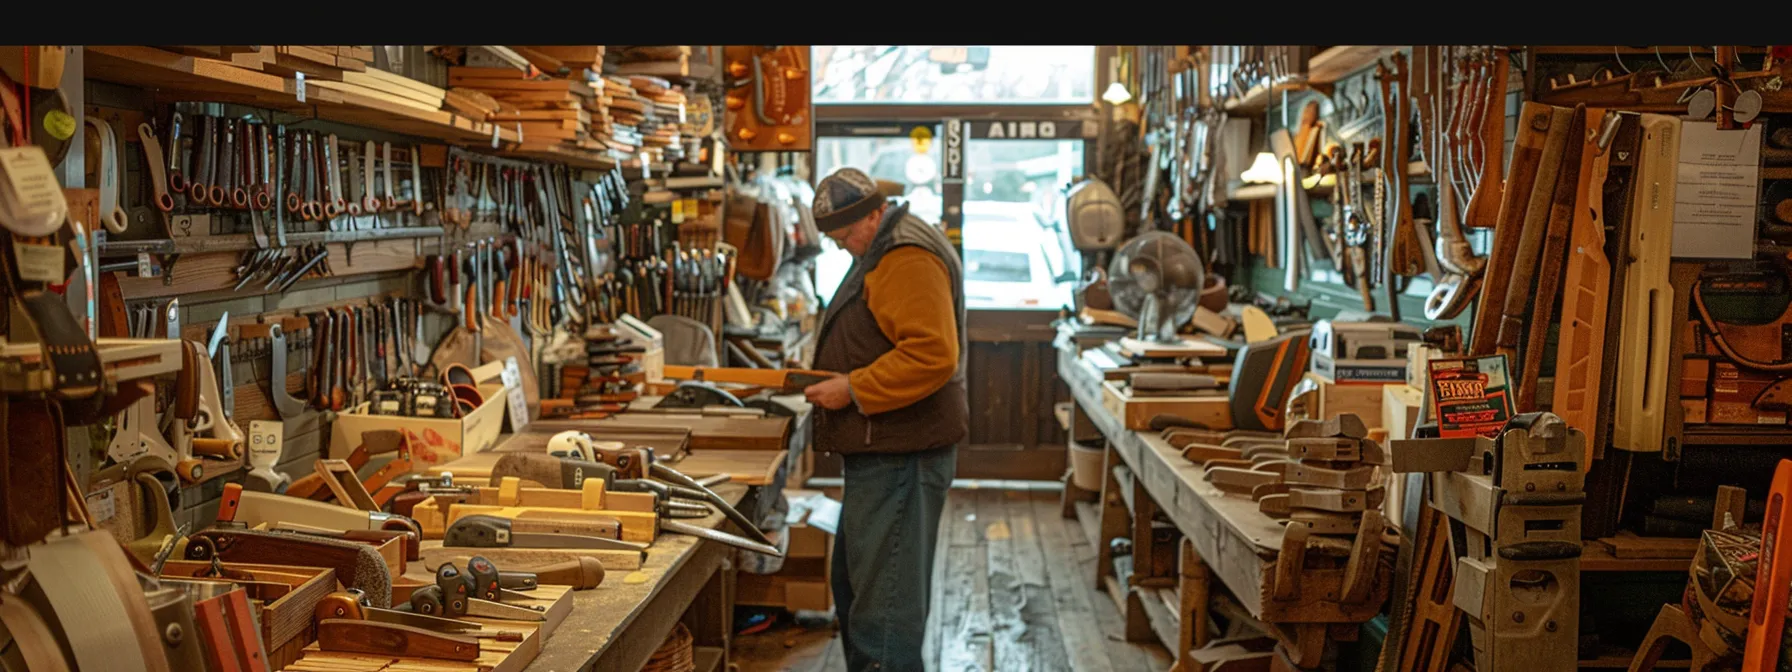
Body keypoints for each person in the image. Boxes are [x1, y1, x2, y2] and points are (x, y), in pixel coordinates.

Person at [804, 167, 966, 672]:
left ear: (876, 212)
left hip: (903, 452)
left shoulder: (905, 256)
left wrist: (852, 387)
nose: (843, 246)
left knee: (885, 609)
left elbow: (933, 355)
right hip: (889, 446)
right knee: (861, 591)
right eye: (834, 239)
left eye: (847, 234)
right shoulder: (884, 245)